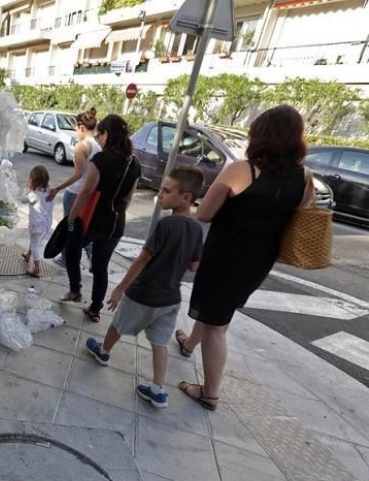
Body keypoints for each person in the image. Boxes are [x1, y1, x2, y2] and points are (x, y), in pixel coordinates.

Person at [174, 105, 314, 410]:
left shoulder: (242, 170)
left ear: (260, 136)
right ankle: (189, 343)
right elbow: (301, 216)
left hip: (226, 255)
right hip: (259, 261)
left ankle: (210, 392)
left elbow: (205, 214)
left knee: (216, 325)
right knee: (215, 310)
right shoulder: (305, 176)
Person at [85, 166, 205, 409]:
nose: (160, 195)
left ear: (186, 197)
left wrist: (120, 289)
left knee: (119, 324)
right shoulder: (195, 228)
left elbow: (142, 259)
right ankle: (159, 389)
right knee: (160, 341)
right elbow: (194, 267)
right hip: (171, 298)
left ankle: (104, 351)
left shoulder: (165, 224)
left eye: (166, 191)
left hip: (144, 293)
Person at [62, 114, 142, 321]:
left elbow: (86, 192)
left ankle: (75, 290)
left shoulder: (102, 159)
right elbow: (129, 197)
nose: (98, 139)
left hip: (93, 221)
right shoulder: (135, 164)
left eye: (100, 135)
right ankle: (95, 309)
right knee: (100, 266)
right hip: (116, 224)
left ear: (106, 134)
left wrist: (70, 219)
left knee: (70, 250)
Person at [47, 107, 101, 267]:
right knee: (83, 226)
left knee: (69, 225)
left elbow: (77, 175)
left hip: (74, 193)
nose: (76, 132)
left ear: (81, 127)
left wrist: (58, 188)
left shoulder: (81, 146)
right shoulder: (97, 146)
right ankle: (92, 257)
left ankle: (65, 258)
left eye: (76, 128)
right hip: (88, 193)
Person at [20, 165, 53, 278]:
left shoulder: (32, 194)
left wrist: (27, 190)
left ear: (33, 180)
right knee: (35, 242)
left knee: (35, 245)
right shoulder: (49, 191)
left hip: (36, 224)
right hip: (46, 224)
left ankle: (37, 269)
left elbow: (22, 200)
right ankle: (28, 255)